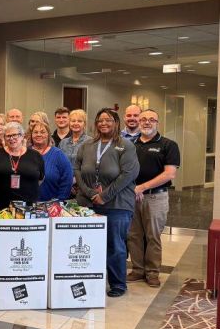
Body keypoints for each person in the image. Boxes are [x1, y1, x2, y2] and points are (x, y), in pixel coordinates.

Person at [75, 108, 138, 298]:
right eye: (100, 120)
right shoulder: (87, 145)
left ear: (116, 123)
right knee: (88, 245)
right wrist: (91, 193)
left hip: (116, 205)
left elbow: (129, 174)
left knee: (115, 246)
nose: (104, 123)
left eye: (108, 120)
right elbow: (77, 170)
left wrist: (105, 196)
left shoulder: (125, 145)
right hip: (88, 204)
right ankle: (91, 281)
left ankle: (118, 284)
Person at [126, 109, 180, 288]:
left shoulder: (168, 145)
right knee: (134, 235)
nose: (147, 122)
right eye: (143, 119)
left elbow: (169, 174)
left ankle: (152, 273)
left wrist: (142, 187)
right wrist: (132, 188)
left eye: (151, 120)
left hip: (155, 197)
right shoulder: (131, 144)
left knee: (153, 236)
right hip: (132, 197)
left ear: (157, 122)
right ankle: (138, 270)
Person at [0, 121, 45, 209]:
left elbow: (40, 179)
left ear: (22, 136)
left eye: (15, 135)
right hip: (2, 206)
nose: (11, 138)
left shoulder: (35, 155)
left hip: (29, 206)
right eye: (8, 136)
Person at [30, 121, 73, 202]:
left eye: (42, 132)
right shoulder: (24, 153)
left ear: (48, 135)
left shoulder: (58, 155)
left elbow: (67, 179)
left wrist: (59, 201)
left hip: (51, 207)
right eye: (35, 132)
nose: (39, 134)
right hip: (26, 206)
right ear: (31, 135)